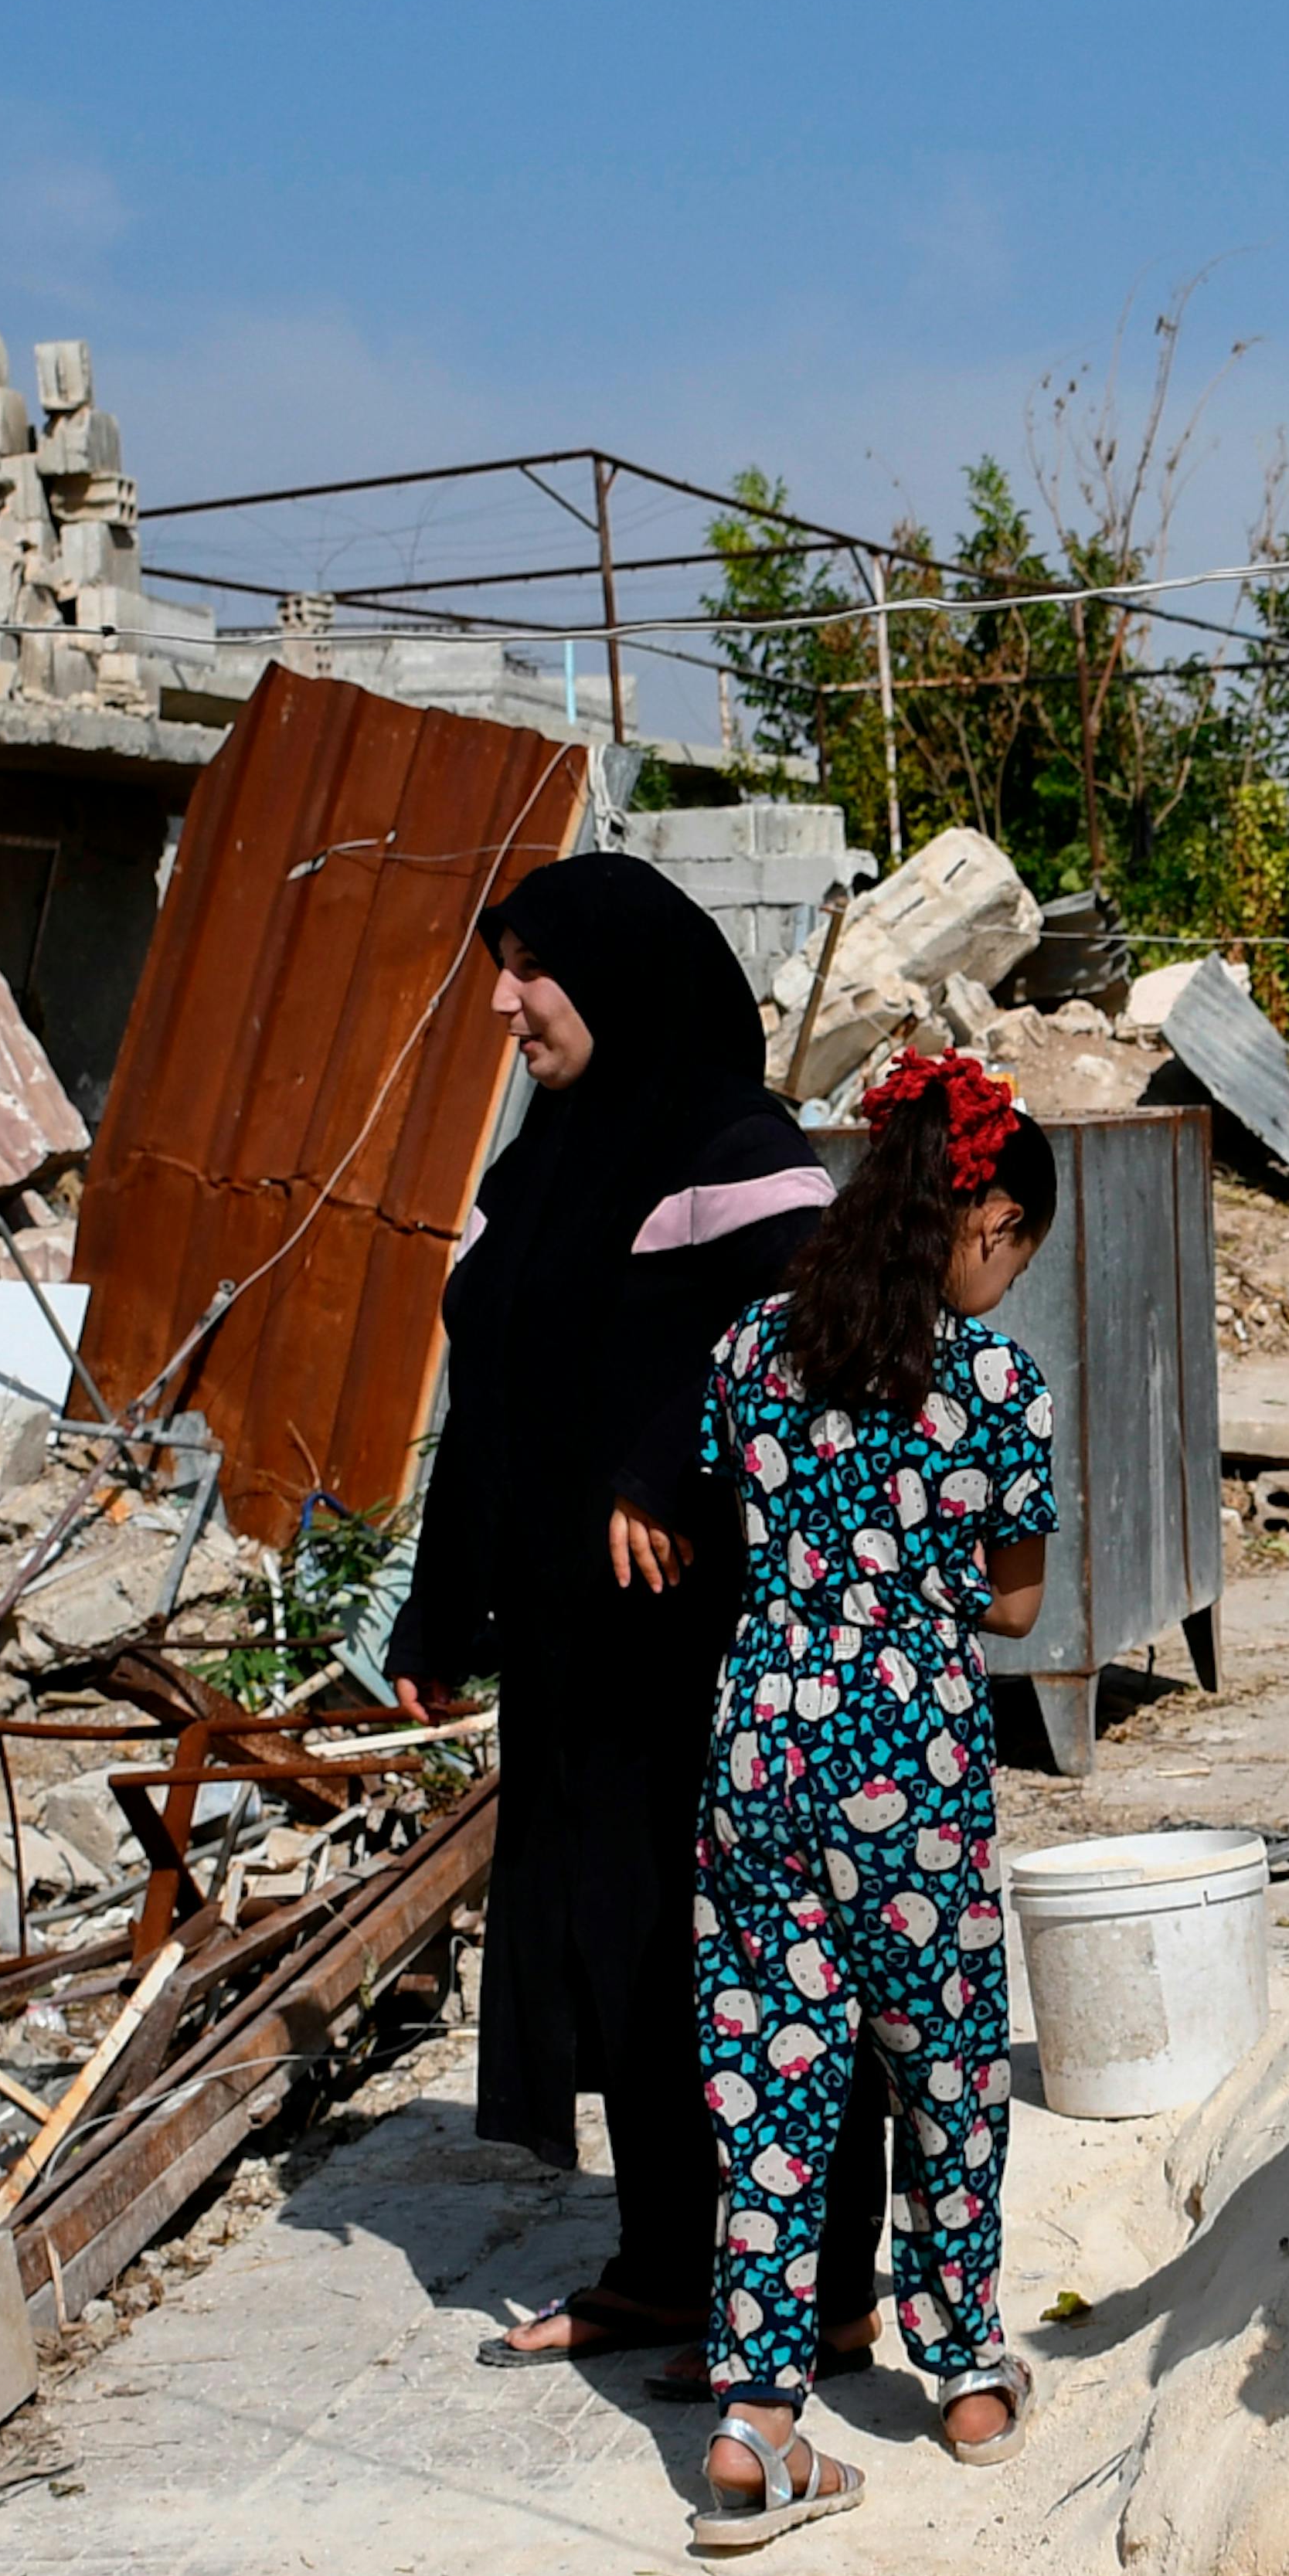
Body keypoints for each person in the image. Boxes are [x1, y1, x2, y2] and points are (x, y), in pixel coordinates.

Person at [377, 852, 880, 2384]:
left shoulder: (736, 1140)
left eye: (533, 966)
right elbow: (491, 1400)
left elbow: (811, 1332)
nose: (503, 999)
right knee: (622, 1951)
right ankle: (670, 2259)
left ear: (622, 971)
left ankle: (832, 2277)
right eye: (500, 964)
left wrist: (670, 1459)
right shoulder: (545, 1164)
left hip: (714, 1648)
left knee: (759, 1947)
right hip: (574, 1651)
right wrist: (435, 1603)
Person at [677, 1048, 1063, 2553]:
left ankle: (754, 2422)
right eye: (1017, 1244)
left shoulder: (747, 1349)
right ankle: (963, 2372)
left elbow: (742, 1530)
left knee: (773, 2074)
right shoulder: (993, 1384)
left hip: (762, 1735)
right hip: (904, 1751)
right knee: (944, 2060)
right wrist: (913, 1573)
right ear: (987, 1222)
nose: (1012, 1271)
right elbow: (1017, 1611)